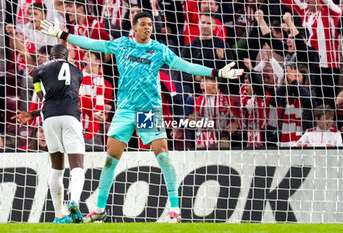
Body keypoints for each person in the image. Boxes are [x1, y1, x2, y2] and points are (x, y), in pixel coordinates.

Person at [40, 12, 243, 223]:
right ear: (134, 27)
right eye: (144, 24)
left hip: (148, 110)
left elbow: (185, 65)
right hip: (125, 110)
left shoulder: (158, 49)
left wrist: (216, 73)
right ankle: (100, 210)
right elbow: (93, 43)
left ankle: (175, 211)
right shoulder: (122, 45)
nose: (148, 28)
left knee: (163, 155)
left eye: (150, 25)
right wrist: (63, 34)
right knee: (110, 158)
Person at [12, 44, 85, 224]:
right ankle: (74, 201)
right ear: (66, 57)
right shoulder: (77, 71)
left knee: (57, 167)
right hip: (71, 117)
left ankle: (59, 216)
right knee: (77, 166)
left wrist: (32, 114)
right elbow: (69, 94)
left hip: (50, 119)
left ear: (51, 56)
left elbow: (42, 96)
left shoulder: (39, 70)